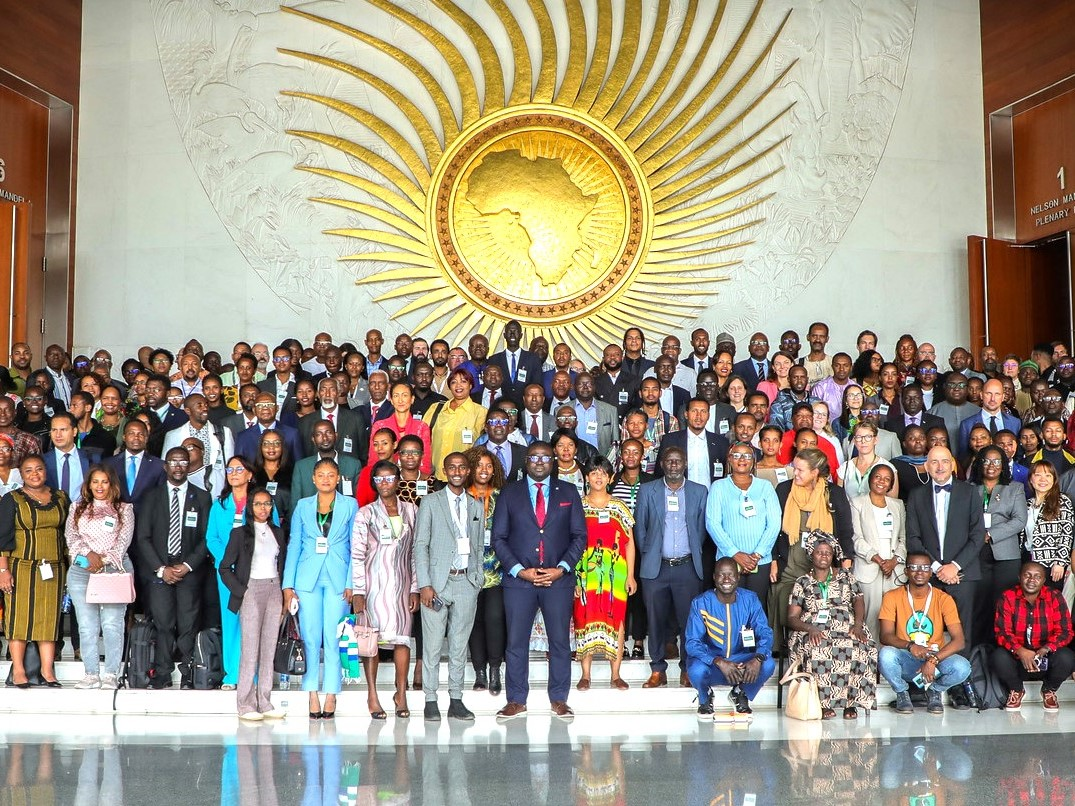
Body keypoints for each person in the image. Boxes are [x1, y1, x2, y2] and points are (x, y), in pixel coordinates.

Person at [492, 441, 587, 722]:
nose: (540, 461)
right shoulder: (509, 493)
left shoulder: (568, 492)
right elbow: (499, 538)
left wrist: (562, 568)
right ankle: (516, 700)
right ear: (526, 461)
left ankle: (559, 699)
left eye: (546, 457)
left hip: (558, 580)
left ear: (553, 461)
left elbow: (579, 536)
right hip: (519, 581)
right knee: (516, 641)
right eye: (534, 457)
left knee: (559, 642)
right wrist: (519, 570)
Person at [283, 458, 359, 719]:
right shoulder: (303, 506)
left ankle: (331, 693)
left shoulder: (351, 505)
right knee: (311, 637)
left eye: (331, 475)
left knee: (335, 636)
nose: (326, 479)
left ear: (338, 478)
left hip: (339, 578)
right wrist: (288, 585)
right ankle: (311, 692)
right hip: (307, 579)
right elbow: (294, 545)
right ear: (313, 479)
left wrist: (352, 582)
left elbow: (355, 546)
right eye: (321, 475)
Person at [414, 452, 483, 722]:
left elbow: (478, 546)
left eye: (461, 467)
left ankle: (456, 699)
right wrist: (425, 584)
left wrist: (476, 579)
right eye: (451, 467)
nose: (456, 471)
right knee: (431, 646)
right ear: (444, 471)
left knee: (458, 645)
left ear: (468, 471)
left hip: (466, 581)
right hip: (437, 584)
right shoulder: (430, 502)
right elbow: (420, 545)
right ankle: (431, 699)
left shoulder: (476, 506)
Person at [634, 446, 710, 688]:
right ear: (663, 464)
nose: (674, 465)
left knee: (689, 621)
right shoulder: (648, 490)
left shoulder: (699, 491)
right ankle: (658, 670)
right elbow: (640, 529)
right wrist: (652, 552)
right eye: (669, 461)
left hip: (687, 567)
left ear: (685, 463)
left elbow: (701, 529)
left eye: (678, 461)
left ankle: (687, 669)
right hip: (655, 568)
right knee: (655, 620)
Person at [136, 447, 212, 688]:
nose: (178, 466)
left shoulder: (201, 497)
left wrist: (188, 565)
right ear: (165, 466)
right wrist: (161, 569)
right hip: (159, 571)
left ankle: (189, 672)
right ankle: (162, 672)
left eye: (183, 462)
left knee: (188, 624)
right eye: (173, 462)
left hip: (189, 570)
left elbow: (207, 538)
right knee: (163, 623)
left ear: (189, 466)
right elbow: (142, 537)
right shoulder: (151, 496)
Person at [906, 446, 985, 669]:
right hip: (928, 575)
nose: (940, 467)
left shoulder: (969, 492)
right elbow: (913, 538)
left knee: (962, 632)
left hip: (964, 574)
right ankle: (927, 680)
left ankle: (961, 683)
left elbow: (978, 535)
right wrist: (937, 567)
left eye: (944, 461)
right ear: (927, 467)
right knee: (927, 629)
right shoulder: (916, 494)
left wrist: (954, 566)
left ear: (952, 465)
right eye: (934, 462)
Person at [351, 460, 419, 720]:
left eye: (389, 477)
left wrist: (414, 587)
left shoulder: (412, 510)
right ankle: (372, 695)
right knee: (372, 642)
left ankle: (401, 694)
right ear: (374, 483)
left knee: (402, 640)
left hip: (401, 585)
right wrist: (358, 591)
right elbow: (357, 554)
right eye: (379, 479)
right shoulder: (365, 513)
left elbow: (415, 552)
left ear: (398, 479)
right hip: (373, 585)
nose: (385, 483)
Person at [770, 448, 854, 649]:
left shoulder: (834, 493)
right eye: (794, 469)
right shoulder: (784, 490)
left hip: (822, 564)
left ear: (815, 472)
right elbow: (773, 528)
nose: (795, 473)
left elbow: (845, 529)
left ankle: (819, 648)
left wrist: (846, 559)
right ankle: (782, 649)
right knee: (783, 599)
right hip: (790, 559)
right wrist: (774, 559)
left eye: (800, 470)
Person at [786, 531, 876, 719]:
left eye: (828, 552)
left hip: (847, 625)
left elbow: (859, 601)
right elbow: (792, 618)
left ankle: (851, 703)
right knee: (818, 647)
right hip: (813, 628)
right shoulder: (802, 581)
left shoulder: (846, 576)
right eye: (819, 552)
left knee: (859, 646)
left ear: (833, 555)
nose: (824, 556)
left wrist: (858, 625)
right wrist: (810, 628)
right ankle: (822, 703)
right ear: (811, 554)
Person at [0, 455, 70, 687]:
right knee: (19, 618)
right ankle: (19, 671)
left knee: (49, 619)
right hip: (21, 567)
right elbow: (3, 537)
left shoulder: (60, 497)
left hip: (53, 567)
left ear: (45, 471)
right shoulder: (12, 499)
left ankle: (47, 672)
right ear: (22, 474)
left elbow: (67, 533)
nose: (34, 474)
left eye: (38, 469)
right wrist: (3, 570)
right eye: (28, 470)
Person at [218, 489, 288, 721]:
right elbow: (225, 567)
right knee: (250, 649)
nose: (263, 508)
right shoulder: (240, 534)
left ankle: (265, 701)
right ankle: (245, 704)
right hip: (251, 589)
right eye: (258, 504)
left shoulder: (278, 532)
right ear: (250, 506)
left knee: (269, 648)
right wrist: (242, 590)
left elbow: (282, 564)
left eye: (267, 504)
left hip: (274, 589)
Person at [65, 465, 134, 690]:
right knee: (86, 626)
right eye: (95, 481)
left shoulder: (124, 509)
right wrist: (88, 555)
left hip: (114, 568)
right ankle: (91, 674)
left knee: (113, 624)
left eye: (104, 482)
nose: (99, 486)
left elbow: (123, 541)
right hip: (81, 570)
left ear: (112, 484)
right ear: (88, 484)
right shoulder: (77, 508)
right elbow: (71, 536)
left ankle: (111, 674)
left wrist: (101, 561)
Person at [877, 552, 972, 715]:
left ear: (931, 572)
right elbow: (885, 636)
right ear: (906, 571)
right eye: (913, 567)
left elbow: (959, 641)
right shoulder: (892, 596)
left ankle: (934, 691)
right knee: (885, 655)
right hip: (907, 658)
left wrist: (934, 659)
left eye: (925, 568)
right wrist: (910, 645)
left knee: (963, 667)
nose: (919, 572)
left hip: (935, 659)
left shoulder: (944, 598)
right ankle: (902, 693)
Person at [574, 456, 637, 691]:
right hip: (585, 574)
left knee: (617, 622)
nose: (598, 477)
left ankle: (616, 674)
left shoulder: (619, 506)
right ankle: (586, 675)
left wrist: (630, 575)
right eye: (593, 473)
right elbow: (570, 542)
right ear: (587, 477)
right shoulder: (578, 506)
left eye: (603, 473)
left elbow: (630, 543)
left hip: (615, 575)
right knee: (583, 619)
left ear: (610, 478)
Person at [686, 558, 775, 718]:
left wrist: (758, 659)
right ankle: (705, 697)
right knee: (696, 670)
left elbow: (765, 632)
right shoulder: (701, 603)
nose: (726, 580)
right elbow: (692, 643)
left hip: (741, 664)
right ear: (714, 577)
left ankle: (741, 693)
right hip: (713, 664)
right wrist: (719, 661)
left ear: (738, 576)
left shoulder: (750, 600)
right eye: (721, 575)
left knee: (767, 664)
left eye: (731, 575)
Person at [205, 456, 260, 691]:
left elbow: (272, 534)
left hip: (256, 571)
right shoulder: (220, 504)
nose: (234, 473)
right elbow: (212, 538)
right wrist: (227, 562)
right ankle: (231, 675)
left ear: (250, 475)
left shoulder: (261, 502)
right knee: (231, 622)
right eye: (230, 469)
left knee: (253, 623)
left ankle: (252, 676)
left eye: (239, 469)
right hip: (227, 573)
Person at [705, 443, 781, 608]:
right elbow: (712, 523)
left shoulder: (765, 486)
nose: (742, 459)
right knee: (729, 608)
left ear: (753, 461)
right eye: (737, 455)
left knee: (755, 607)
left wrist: (756, 555)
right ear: (730, 459)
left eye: (747, 456)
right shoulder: (718, 487)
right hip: (728, 561)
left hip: (759, 562)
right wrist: (736, 554)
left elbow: (775, 523)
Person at [993, 561, 1075, 713]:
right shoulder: (1008, 597)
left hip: (1046, 659)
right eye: (1027, 575)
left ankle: (1049, 690)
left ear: (1044, 580)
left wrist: (1046, 648)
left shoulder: (1054, 597)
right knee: (998, 657)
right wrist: (1020, 650)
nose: (1032, 580)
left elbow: (1065, 631)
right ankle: (1016, 690)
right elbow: (1002, 632)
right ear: (1019, 577)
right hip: (1018, 661)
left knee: (1067, 657)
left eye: (1037, 577)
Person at [969, 445, 1028, 645]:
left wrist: (990, 534)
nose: (991, 465)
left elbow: (1020, 520)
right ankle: (978, 651)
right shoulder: (969, 489)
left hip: (1006, 555)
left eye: (996, 461)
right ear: (979, 464)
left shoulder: (1015, 488)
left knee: (1004, 603)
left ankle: (1003, 647)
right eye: (986, 460)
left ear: (1003, 466)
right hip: (976, 553)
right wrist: (979, 536)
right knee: (980, 603)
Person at [465, 447, 506, 695]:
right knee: (473, 622)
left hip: (497, 571)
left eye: (488, 465)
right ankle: (479, 672)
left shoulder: (503, 496)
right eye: (479, 465)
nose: (483, 470)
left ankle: (494, 669)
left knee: (494, 619)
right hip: (467, 572)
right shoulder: (462, 497)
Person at [849, 464, 906, 634]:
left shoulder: (898, 505)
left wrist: (894, 561)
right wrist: (879, 560)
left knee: (894, 617)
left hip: (894, 569)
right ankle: (870, 656)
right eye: (877, 477)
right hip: (869, 567)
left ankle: (891, 657)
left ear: (891, 484)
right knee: (870, 616)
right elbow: (856, 537)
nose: (882, 481)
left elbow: (903, 538)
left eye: (887, 479)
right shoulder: (857, 502)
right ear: (870, 479)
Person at [424, 368, 487, 480]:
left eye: (463, 381)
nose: (458, 385)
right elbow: (423, 440)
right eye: (454, 382)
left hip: (464, 477)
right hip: (435, 475)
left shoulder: (481, 412)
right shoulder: (436, 408)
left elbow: (481, 446)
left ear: (471, 385)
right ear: (449, 386)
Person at [1024, 460, 1074, 591]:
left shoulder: (1062, 501)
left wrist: (1060, 562)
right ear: (1031, 478)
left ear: (1054, 479)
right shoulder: (1027, 504)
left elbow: (1067, 533)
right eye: (1038, 475)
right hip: (1029, 562)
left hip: (1052, 564)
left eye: (1048, 475)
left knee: (1050, 603)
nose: (1043, 479)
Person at [837, 421, 898, 498]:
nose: (863, 441)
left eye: (868, 437)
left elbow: (893, 501)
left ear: (875, 440)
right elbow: (838, 499)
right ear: (854, 441)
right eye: (859, 437)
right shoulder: (845, 467)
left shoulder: (888, 467)